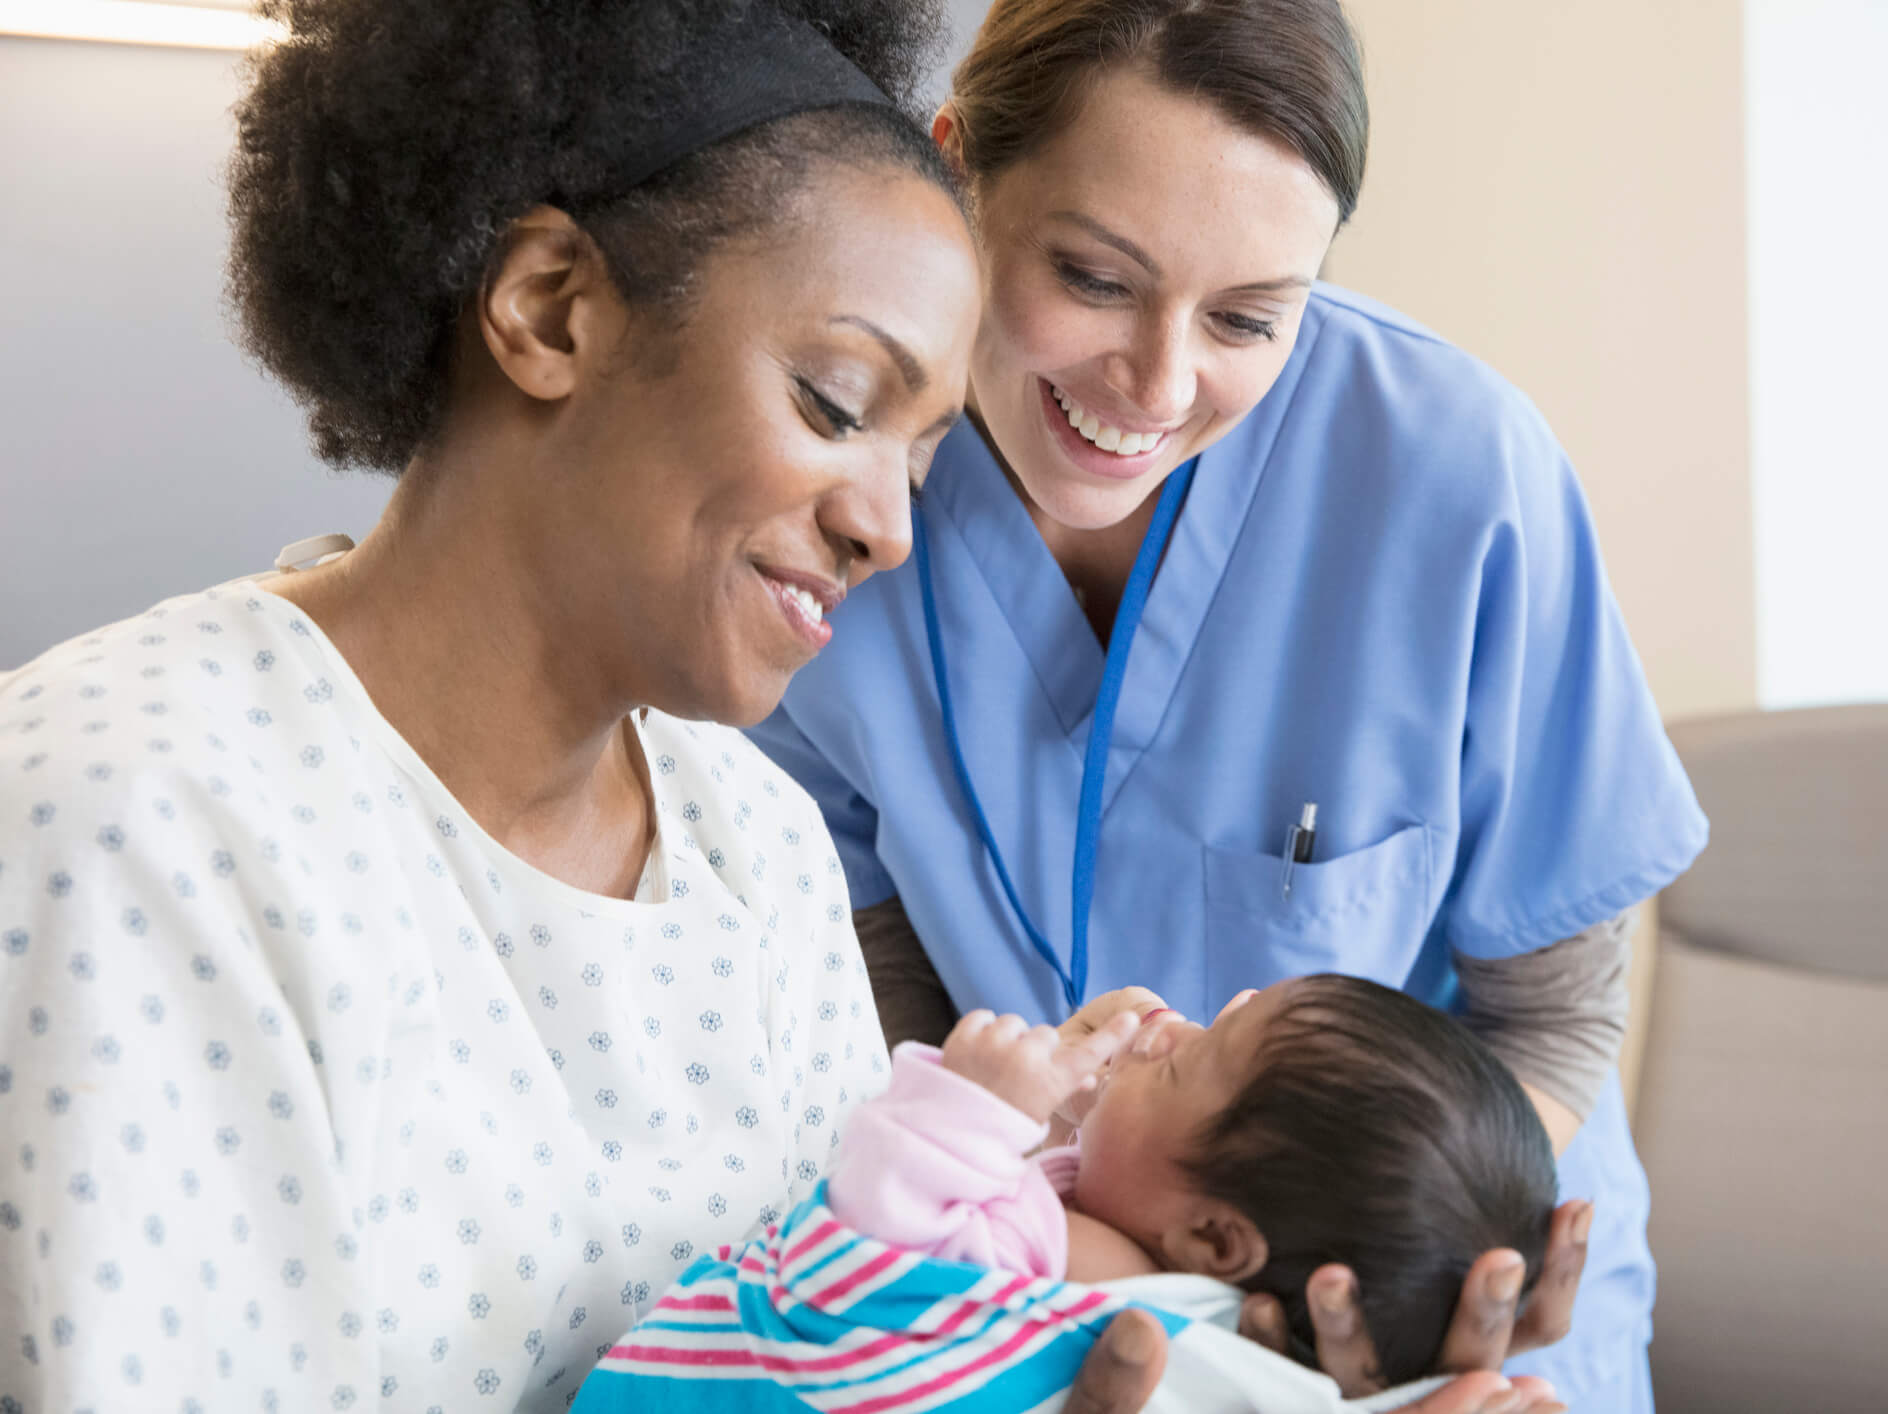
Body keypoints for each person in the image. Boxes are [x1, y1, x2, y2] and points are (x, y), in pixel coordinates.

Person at [0, 2, 1563, 1411]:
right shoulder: (133, 816)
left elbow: (873, 1328)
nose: (888, 525)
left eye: (926, 448)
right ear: (550, 309)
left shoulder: (752, 839)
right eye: (835, 403)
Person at [746, 2, 1709, 1409]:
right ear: (955, 168)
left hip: (1431, 1303)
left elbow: (1550, 1024)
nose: (1157, 382)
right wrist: (1084, 1283)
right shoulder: (819, 488)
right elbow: (877, 1017)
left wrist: (1391, 1300)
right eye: (1092, 275)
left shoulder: (1453, 477)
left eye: (1250, 317)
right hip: (1016, 1288)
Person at [838, 978, 1558, 1387]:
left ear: (1212, 1240)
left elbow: (881, 1259)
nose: (1167, 1028)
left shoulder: (1092, 1272)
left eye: (1185, 1064)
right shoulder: (1137, 1250)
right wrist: (1069, 1129)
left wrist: (970, 1107)